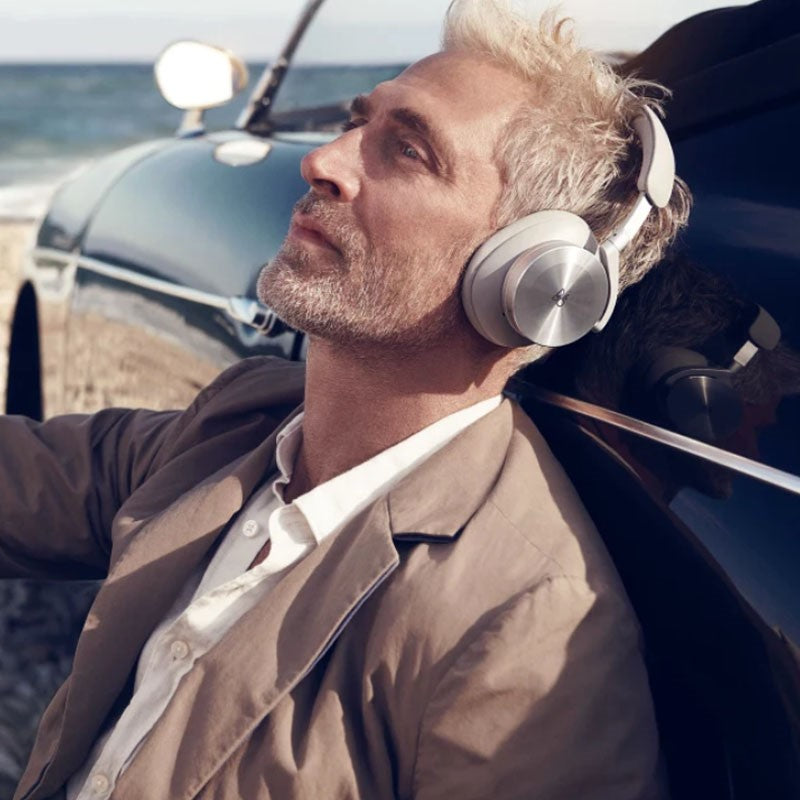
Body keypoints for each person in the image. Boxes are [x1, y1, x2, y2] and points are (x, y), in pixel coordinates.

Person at [3, 1, 691, 798]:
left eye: (407, 150)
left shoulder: (523, 629)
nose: (323, 160)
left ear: (533, 280)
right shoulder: (238, 427)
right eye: (359, 122)